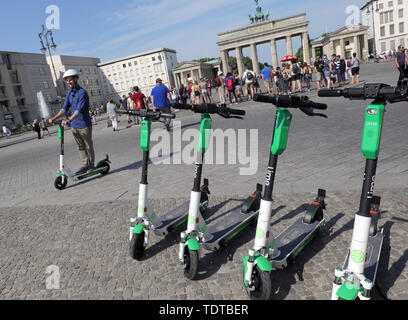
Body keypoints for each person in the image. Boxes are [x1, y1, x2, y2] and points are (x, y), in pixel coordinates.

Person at [49, 69, 95, 175]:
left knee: (88, 145)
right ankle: (85, 164)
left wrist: (69, 120)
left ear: (76, 79)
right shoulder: (69, 93)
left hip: (84, 124)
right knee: (80, 146)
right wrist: (54, 118)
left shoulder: (82, 93)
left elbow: (78, 110)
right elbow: (64, 109)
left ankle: (91, 164)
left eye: (70, 80)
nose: (69, 82)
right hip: (74, 125)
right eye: (67, 80)